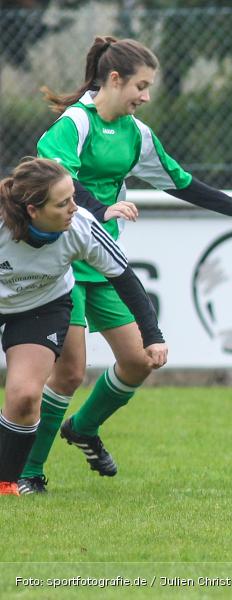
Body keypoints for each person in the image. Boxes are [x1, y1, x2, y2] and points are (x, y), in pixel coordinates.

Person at [17, 36, 232, 494]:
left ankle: (83, 428)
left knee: (138, 361)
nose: (146, 97)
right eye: (142, 85)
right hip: (64, 262)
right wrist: (101, 209)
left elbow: (180, 181)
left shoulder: (138, 134)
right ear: (115, 79)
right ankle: (28, 474)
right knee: (70, 372)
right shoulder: (74, 124)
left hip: (102, 261)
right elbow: (60, 180)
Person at [0, 157, 166, 496]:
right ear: (33, 210)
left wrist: (153, 335)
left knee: (24, 396)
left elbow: (125, 278)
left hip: (40, 307)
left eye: (73, 197)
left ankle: (5, 486)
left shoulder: (81, 226)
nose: (74, 208)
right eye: (63, 203)